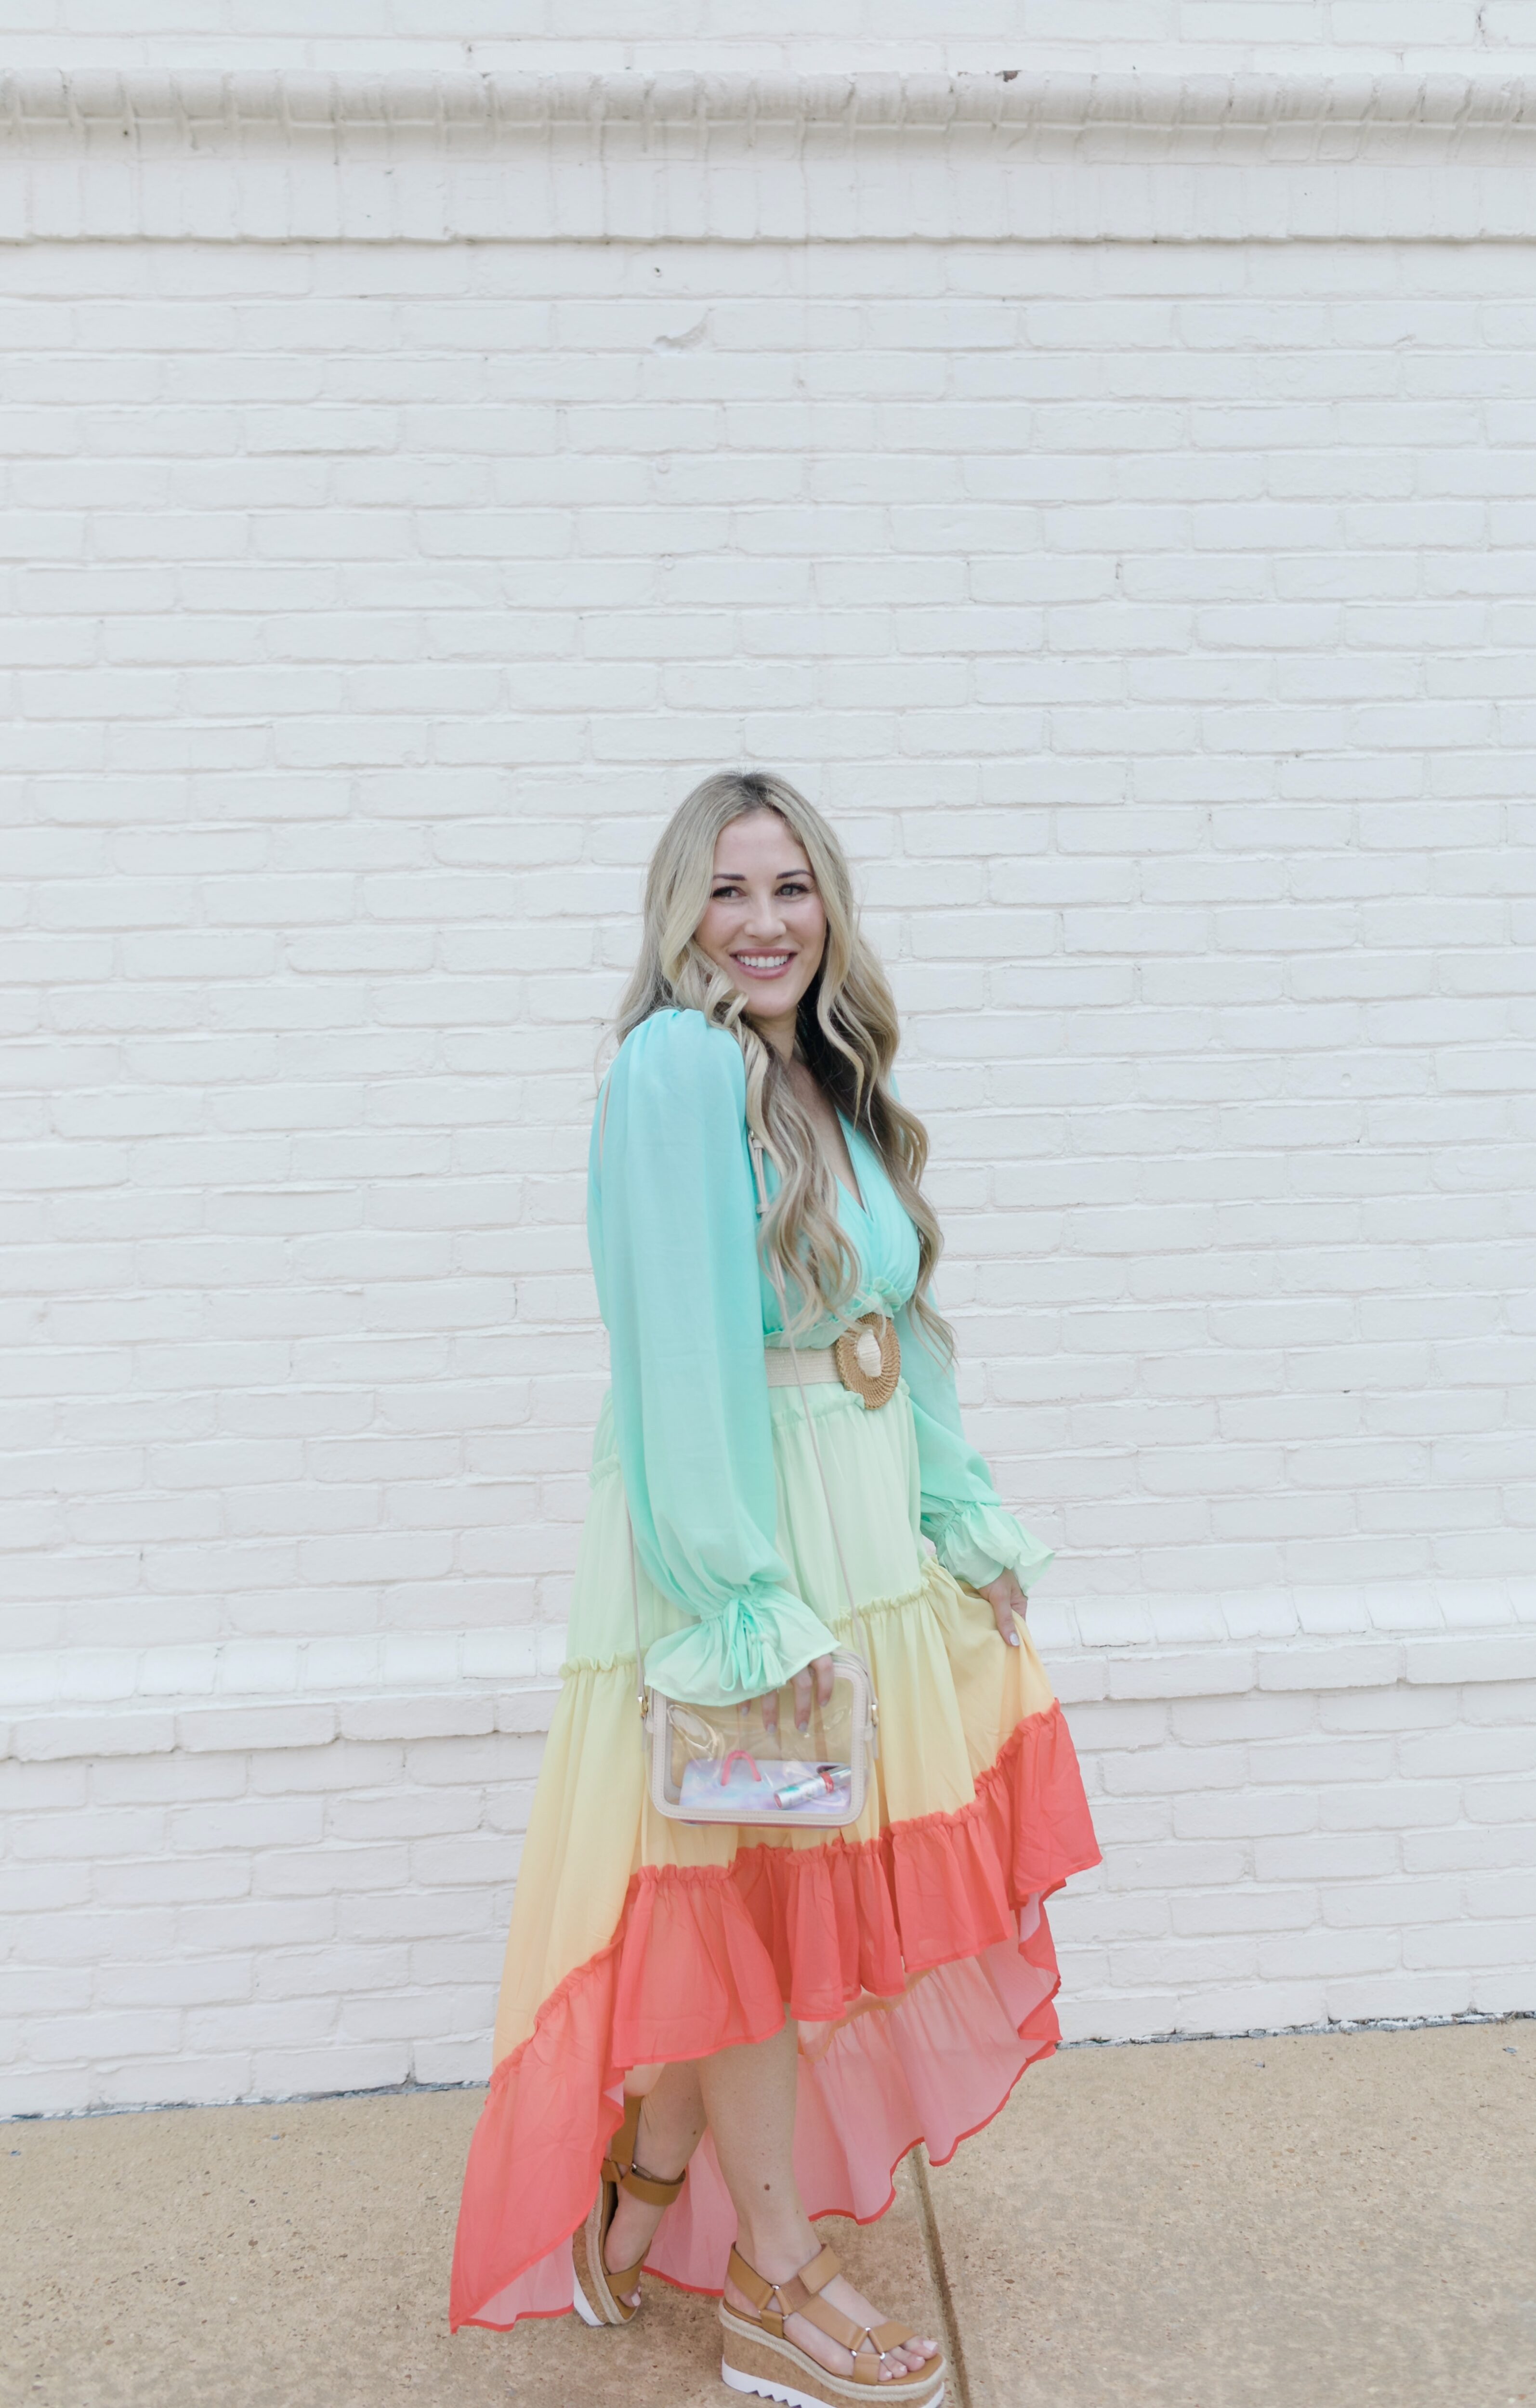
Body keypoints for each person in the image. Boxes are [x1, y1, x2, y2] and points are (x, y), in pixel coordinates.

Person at [450, 770, 1100, 2404]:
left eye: (793, 888)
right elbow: (677, 1353)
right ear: (681, 915)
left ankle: (657, 2163)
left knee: (792, 1895)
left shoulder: (825, 1073)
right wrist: (740, 1602)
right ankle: (773, 2280)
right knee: (756, 1907)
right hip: (741, 1532)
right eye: (729, 893)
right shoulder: (676, 1069)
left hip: (861, 1523)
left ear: (832, 907)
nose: (764, 924)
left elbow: (899, 1334)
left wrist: (961, 1522)